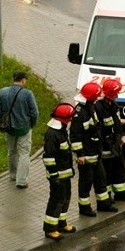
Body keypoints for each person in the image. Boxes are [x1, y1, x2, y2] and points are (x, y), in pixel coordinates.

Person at [70, 82, 117, 216]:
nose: (98, 98)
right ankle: (84, 208)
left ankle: (104, 204)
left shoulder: (90, 107)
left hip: (95, 152)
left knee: (101, 179)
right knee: (86, 183)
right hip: (86, 156)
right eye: (96, 96)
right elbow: (75, 137)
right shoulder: (79, 114)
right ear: (90, 97)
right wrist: (80, 155)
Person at [0, 71, 39, 189]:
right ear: (23, 80)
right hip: (24, 127)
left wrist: (3, 119)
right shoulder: (28, 94)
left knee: (12, 151)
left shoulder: (2, 92)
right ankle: (21, 181)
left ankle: (13, 174)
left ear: (13, 79)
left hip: (9, 127)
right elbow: (34, 112)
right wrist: (32, 124)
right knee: (24, 153)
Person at [95, 79, 125, 204]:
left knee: (119, 167)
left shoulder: (113, 106)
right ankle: (106, 196)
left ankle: (121, 193)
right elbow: (99, 128)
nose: (118, 95)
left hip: (115, 143)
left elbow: (117, 124)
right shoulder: (98, 107)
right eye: (116, 93)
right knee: (106, 170)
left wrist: (119, 138)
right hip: (105, 145)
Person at [42, 103, 78, 240]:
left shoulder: (61, 130)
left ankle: (61, 223)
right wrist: (53, 176)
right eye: (69, 118)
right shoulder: (52, 134)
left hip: (65, 173)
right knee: (56, 201)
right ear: (64, 119)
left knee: (65, 198)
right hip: (57, 175)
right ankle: (50, 228)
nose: (70, 121)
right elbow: (49, 158)